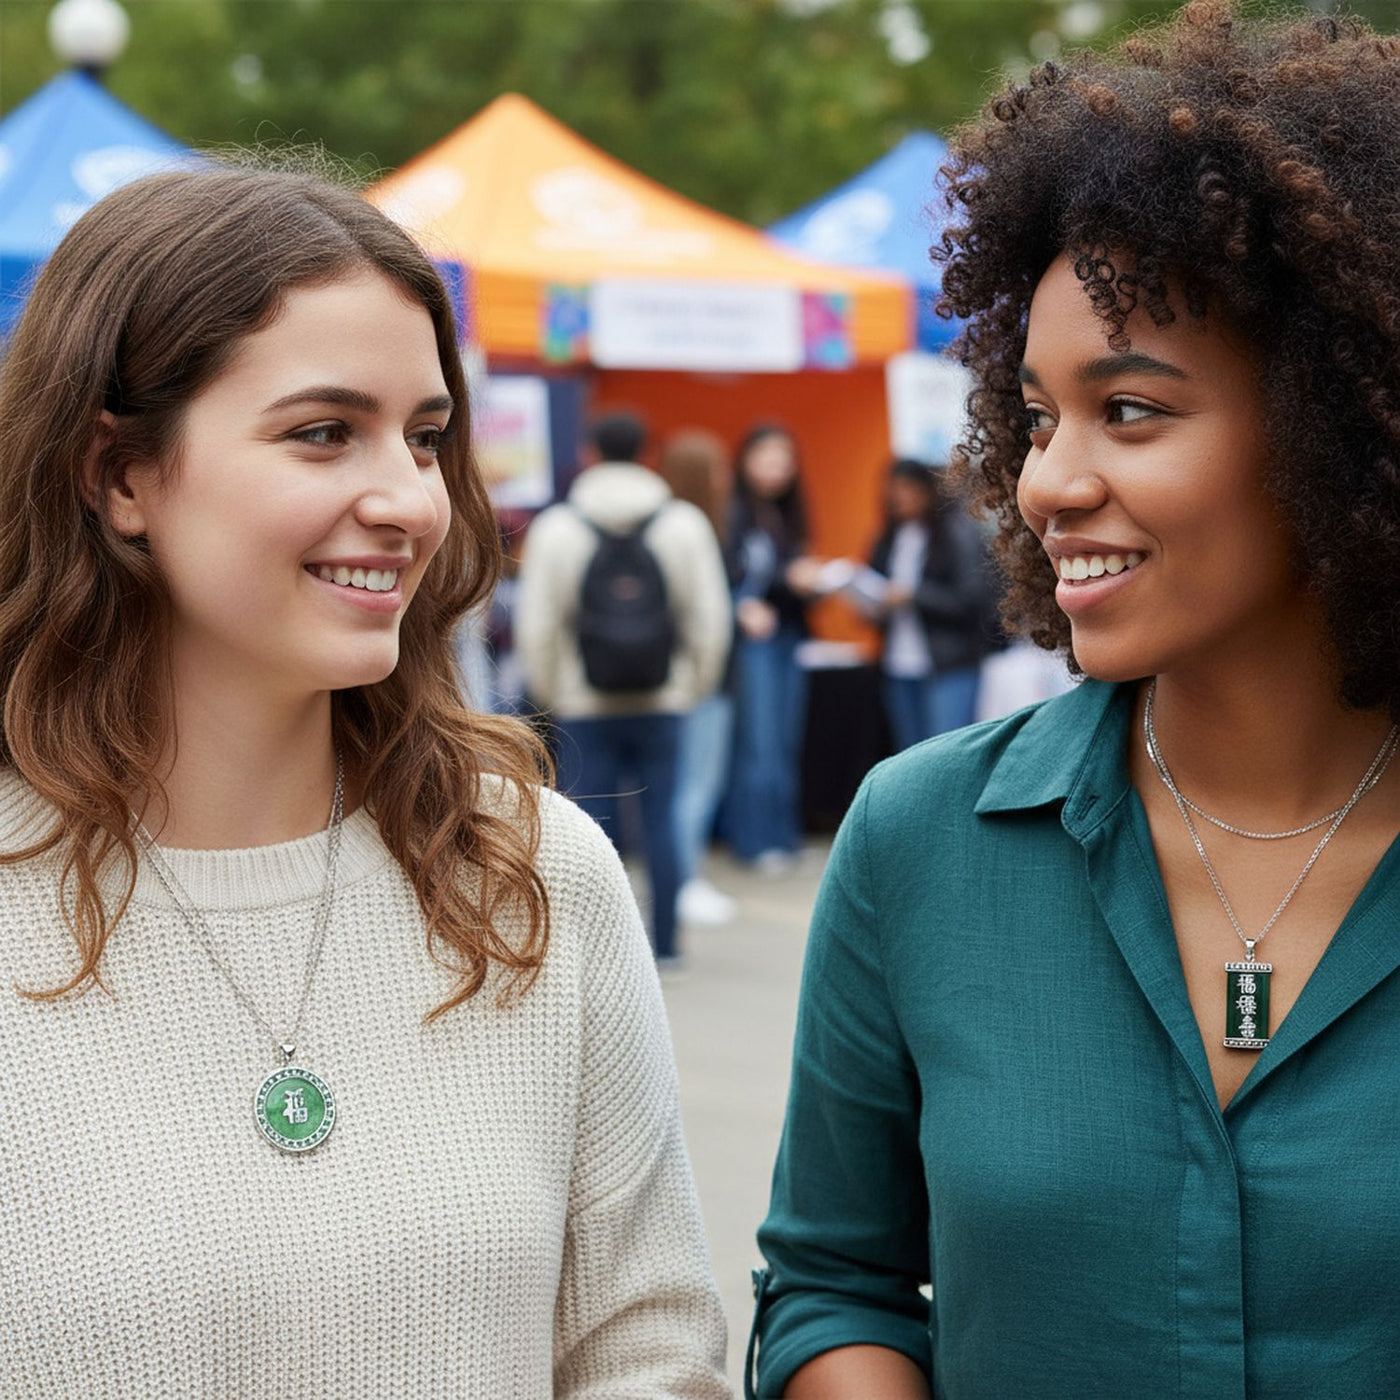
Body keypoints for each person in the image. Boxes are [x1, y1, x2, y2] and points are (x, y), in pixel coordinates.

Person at [749, 5, 1400, 1397]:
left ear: (1341, 421)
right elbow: (834, 1282)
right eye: (1038, 417)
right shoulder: (921, 838)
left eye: (1134, 411)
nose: (1048, 481)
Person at [0, 164, 729, 1399]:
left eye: (428, 436)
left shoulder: (534, 869)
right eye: (323, 431)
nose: (408, 499)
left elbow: (650, 1351)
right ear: (118, 475)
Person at [515, 412, 731, 966]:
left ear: (589, 453)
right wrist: (694, 685)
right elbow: (709, 616)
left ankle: (600, 954)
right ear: (646, 454)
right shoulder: (681, 523)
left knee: (588, 827)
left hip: (584, 703)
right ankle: (666, 946)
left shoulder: (560, 526)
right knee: (662, 818)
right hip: (664, 699)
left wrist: (550, 692)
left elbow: (538, 622)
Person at [723, 424, 820, 869]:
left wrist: (806, 580)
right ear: (745, 460)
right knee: (758, 743)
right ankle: (755, 840)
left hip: (786, 636)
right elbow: (719, 582)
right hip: (750, 644)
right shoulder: (730, 512)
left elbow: (783, 582)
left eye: (784, 459)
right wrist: (739, 609)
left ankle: (782, 835)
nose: (777, 468)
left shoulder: (787, 514)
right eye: (767, 457)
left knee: (785, 740)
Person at [659, 428, 740, 927]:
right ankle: (685, 880)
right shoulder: (695, 529)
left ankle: (680, 879)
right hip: (697, 681)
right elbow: (707, 618)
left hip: (665, 679)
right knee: (695, 785)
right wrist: (707, 677)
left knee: (678, 786)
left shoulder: (660, 525)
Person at [864, 457, 990, 749]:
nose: (900, 497)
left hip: (949, 664)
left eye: (908, 488)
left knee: (947, 752)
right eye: (893, 490)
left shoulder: (957, 531)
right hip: (897, 665)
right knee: (910, 757)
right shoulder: (887, 537)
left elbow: (973, 599)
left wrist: (914, 596)